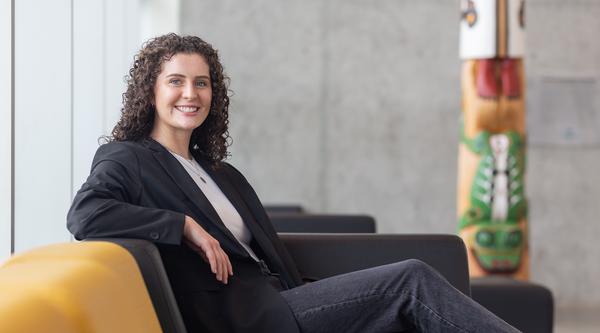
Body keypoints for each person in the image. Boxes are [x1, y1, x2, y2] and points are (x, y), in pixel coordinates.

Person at [67, 33, 520, 333]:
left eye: (201, 83)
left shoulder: (220, 172)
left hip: (283, 300)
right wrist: (183, 225)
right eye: (176, 81)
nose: (191, 94)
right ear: (151, 91)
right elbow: (85, 214)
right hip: (243, 318)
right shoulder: (128, 158)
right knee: (411, 280)